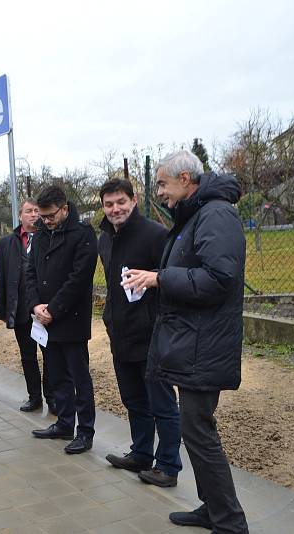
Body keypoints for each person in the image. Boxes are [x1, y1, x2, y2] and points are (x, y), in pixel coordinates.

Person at [122, 150, 249, 533]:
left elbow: (218, 279)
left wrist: (161, 278)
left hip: (206, 345)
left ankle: (230, 521)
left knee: (199, 430)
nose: (158, 191)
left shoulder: (216, 215)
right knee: (195, 431)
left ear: (185, 179)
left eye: (162, 183)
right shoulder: (197, 214)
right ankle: (212, 508)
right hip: (195, 342)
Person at [97, 179, 182, 488]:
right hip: (121, 333)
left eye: (121, 202)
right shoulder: (104, 239)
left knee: (161, 403)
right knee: (133, 400)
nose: (115, 209)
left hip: (152, 334)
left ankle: (169, 465)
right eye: (109, 204)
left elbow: (172, 279)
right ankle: (142, 453)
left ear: (133, 201)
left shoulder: (155, 235)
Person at [26, 185, 97, 455]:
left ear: (65, 209)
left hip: (70, 319)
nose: (45, 221)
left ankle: (85, 431)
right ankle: (64, 423)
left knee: (79, 377)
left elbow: (79, 279)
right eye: (42, 217)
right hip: (45, 319)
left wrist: (53, 309)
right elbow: (30, 271)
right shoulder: (42, 234)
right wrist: (35, 306)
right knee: (56, 375)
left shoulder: (83, 234)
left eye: (50, 216)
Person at [0, 199, 53, 412]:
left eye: (37, 211)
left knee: (49, 356)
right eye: (29, 211)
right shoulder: (6, 243)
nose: (34, 215)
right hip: (19, 309)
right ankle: (34, 397)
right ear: (20, 215)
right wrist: (0, 308)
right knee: (28, 356)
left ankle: (52, 398)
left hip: (43, 308)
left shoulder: (50, 239)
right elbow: (0, 276)